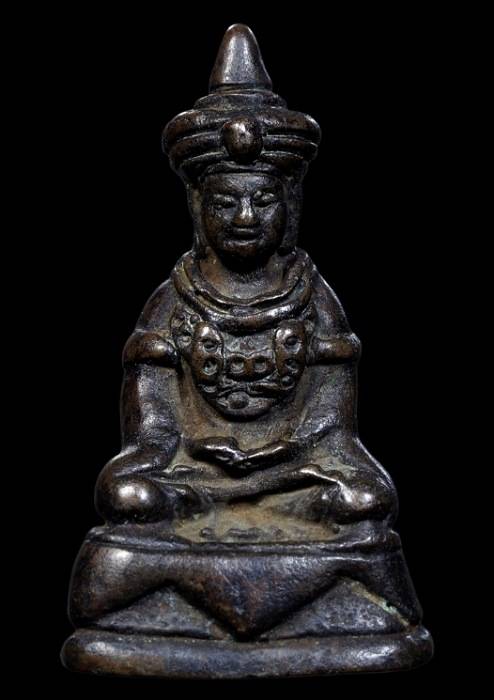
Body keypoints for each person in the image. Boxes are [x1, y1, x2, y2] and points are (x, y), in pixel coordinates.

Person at [95, 24, 397, 541]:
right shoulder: (171, 302)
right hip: (194, 474)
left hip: (293, 471)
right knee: (127, 495)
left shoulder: (315, 301)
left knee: (366, 498)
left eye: (263, 200)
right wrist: (193, 447)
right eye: (225, 202)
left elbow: (334, 433)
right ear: (198, 209)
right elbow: (152, 433)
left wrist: (282, 451)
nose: (245, 217)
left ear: (290, 207)